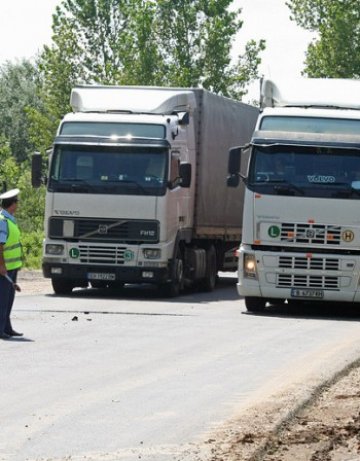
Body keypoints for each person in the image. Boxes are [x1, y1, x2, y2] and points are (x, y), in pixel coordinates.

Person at [0, 188, 23, 339]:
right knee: (2, 301)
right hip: (5, 268)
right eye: (17, 202)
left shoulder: (10, 219)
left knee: (8, 300)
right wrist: (1, 265)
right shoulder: (2, 221)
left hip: (12, 266)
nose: (18, 204)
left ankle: (7, 328)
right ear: (12, 204)